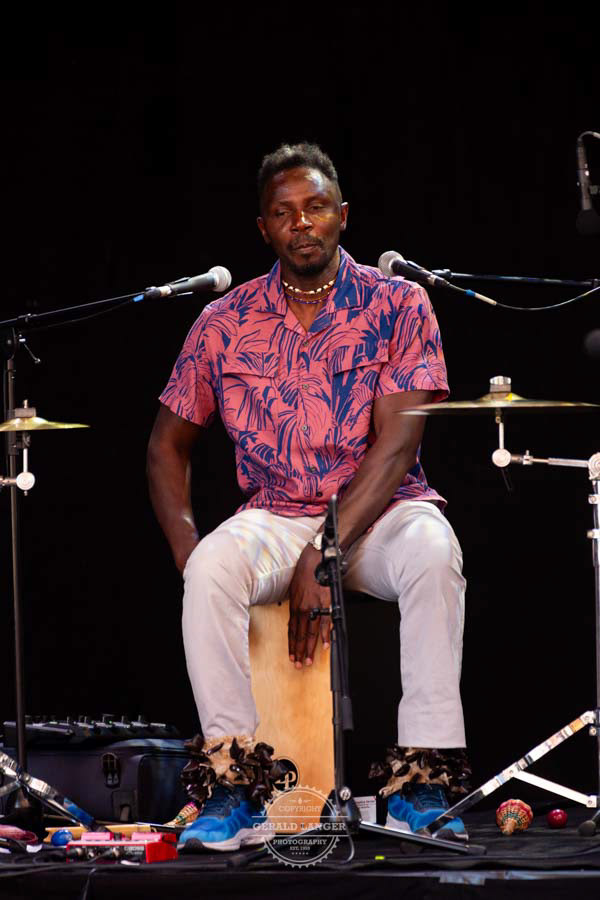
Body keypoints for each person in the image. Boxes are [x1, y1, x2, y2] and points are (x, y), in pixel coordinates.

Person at [147, 143, 470, 851]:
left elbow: (398, 448)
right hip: (274, 515)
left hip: (380, 512)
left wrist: (326, 549)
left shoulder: (398, 304)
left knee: (433, 550)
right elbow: (167, 443)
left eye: (316, 207)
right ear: (264, 228)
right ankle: (234, 788)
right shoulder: (224, 320)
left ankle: (421, 781)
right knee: (211, 570)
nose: (302, 223)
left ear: (342, 216)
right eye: (284, 212)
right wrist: (189, 556)